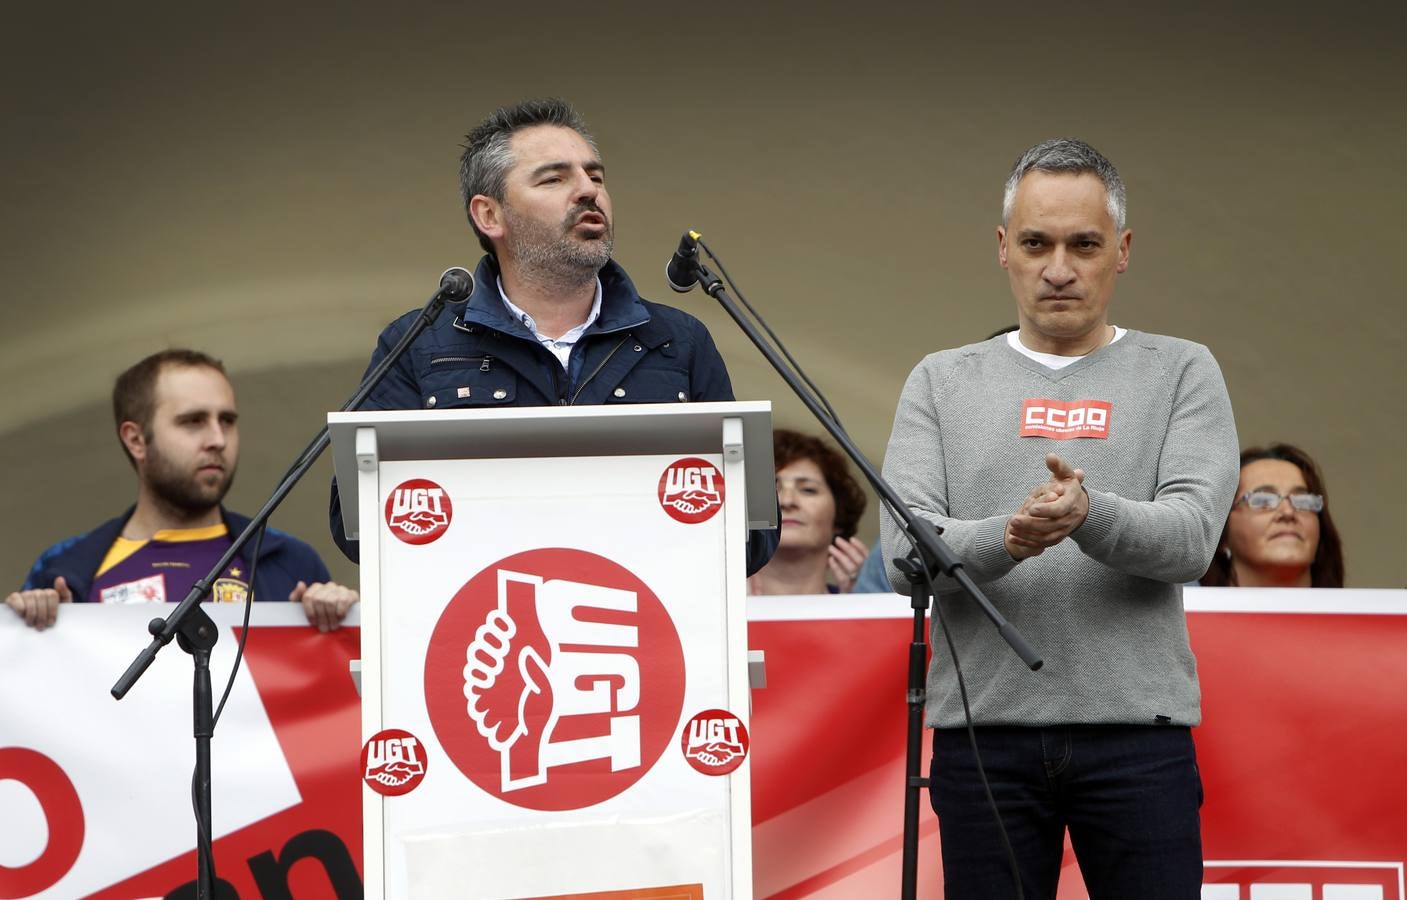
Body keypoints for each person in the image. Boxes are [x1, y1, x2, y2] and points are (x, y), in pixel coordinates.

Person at [880, 138, 1239, 899]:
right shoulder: (941, 379)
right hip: (984, 740)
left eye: (1084, 244)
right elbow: (906, 553)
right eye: (1037, 243)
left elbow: (1190, 539)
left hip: (1139, 737)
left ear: (1123, 251)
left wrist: (1088, 512)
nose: (1058, 268)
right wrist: (1010, 537)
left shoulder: (1180, 369)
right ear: (1002, 248)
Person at [329, 98, 776, 572]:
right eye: (555, 178)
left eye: (596, 176)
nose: (588, 190)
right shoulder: (421, 342)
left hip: (645, 625)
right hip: (488, 627)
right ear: (489, 216)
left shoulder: (677, 339)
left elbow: (751, 532)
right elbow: (359, 522)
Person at [7, 349, 358, 632]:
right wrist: (30, 623)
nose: (218, 440)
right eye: (193, 421)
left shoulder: (289, 562)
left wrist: (333, 620)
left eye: (228, 421)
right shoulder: (64, 569)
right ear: (136, 440)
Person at [1201, 443, 1344, 587]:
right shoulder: (1190, 608)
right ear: (1221, 534)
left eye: (1303, 501)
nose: (1288, 512)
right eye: (1263, 500)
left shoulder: (1356, 608)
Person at [747, 429, 869, 595]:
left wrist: (866, 603)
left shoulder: (873, 607)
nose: (786, 501)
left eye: (808, 490)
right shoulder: (709, 613)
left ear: (839, 515)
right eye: (771, 489)